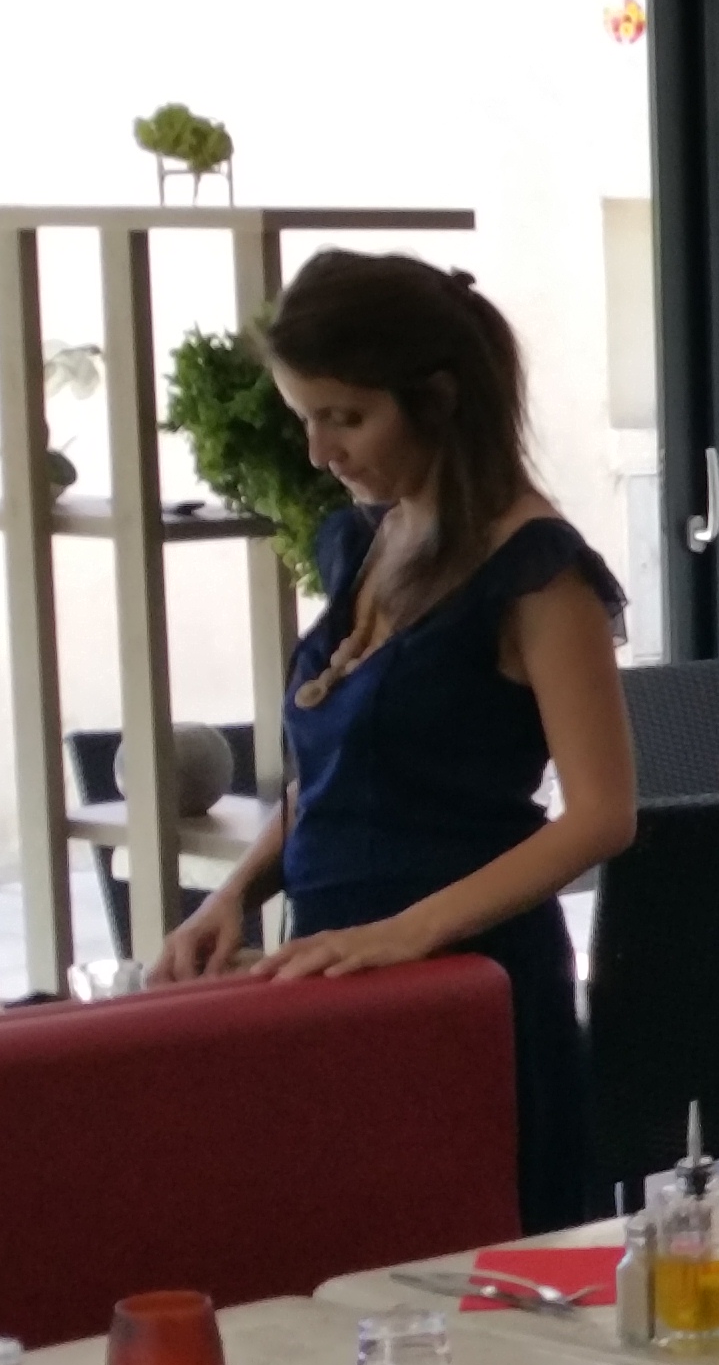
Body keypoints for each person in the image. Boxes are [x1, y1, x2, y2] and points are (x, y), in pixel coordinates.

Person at [158, 252, 637, 1231]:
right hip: (340, 972)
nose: (319, 451)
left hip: (467, 985)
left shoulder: (540, 573)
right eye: (306, 417)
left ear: (438, 398)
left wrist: (407, 932)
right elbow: (338, 775)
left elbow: (602, 816)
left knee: (477, 1274)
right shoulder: (364, 541)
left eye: (345, 416)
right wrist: (238, 893)